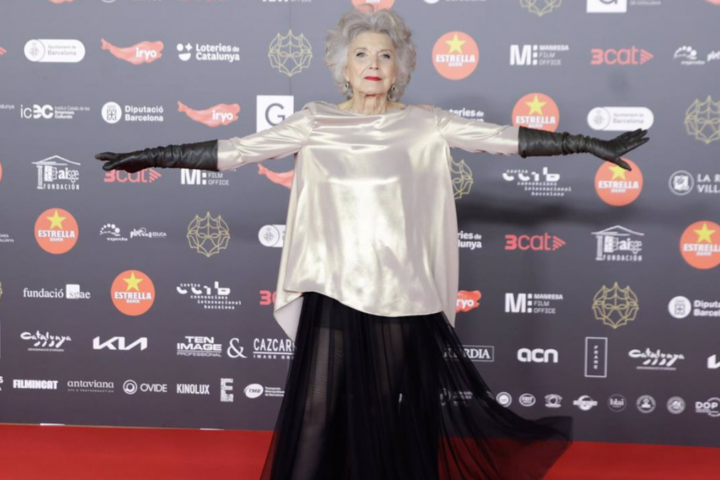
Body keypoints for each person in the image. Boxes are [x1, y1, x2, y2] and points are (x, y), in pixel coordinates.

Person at [95, 8, 648, 480]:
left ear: (400, 67)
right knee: (315, 412)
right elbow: (238, 150)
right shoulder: (315, 123)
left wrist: (583, 143)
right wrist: (155, 154)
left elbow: (503, 140)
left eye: (385, 56)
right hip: (333, 289)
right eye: (362, 55)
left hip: (402, 294)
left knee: (382, 413)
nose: (374, 66)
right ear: (343, 66)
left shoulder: (426, 123)